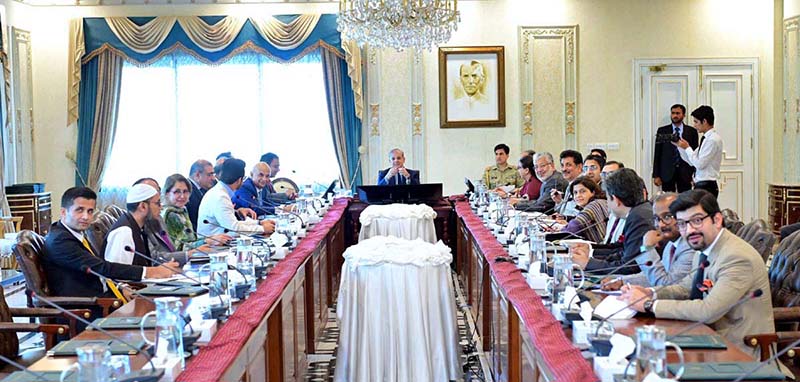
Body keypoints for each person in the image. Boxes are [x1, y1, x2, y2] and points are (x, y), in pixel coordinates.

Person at [619, 190, 773, 353]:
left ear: (717, 219)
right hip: (707, 337)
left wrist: (649, 305)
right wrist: (650, 293)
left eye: (697, 220)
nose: (690, 230)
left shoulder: (736, 257)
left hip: (741, 351)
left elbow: (708, 311)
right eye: (683, 224)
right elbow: (686, 288)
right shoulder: (703, 248)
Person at [42, 187, 175, 299]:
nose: (86, 217)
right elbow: (101, 268)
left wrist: (120, 287)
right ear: (64, 212)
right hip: (84, 310)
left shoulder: (73, 233)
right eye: (79, 210)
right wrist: (152, 272)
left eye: (90, 211)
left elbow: (98, 272)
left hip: (102, 299)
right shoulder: (60, 241)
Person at [601, 192, 696, 289]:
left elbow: (666, 285)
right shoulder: (671, 245)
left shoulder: (690, 247)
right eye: (656, 218)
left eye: (667, 217)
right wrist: (621, 281)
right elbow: (653, 276)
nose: (661, 224)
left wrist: (647, 249)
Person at [570, 168, 654, 275]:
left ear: (615, 199)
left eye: (608, 199)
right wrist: (590, 251)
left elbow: (628, 267)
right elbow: (621, 249)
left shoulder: (638, 218)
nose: (607, 204)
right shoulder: (639, 211)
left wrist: (587, 263)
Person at [198, 158, 276, 236]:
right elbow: (234, 228)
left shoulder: (221, 191)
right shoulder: (220, 197)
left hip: (222, 240)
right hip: (211, 244)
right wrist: (262, 229)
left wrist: (258, 223)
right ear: (239, 180)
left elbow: (232, 222)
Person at [162, 174, 232, 251]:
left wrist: (212, 239)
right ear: (167, 193)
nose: (182, 196)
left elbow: (191, 241)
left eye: (185, 192)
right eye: (177, 192)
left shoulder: (181, 210)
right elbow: (178, 248)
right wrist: (207, 241)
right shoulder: (170, 214)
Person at [674, 105, 723, 198]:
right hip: (701, 185)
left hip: (707, 186)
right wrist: (681, 147)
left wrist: (687, 148)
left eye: (696, 122)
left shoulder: (712, 140)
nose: (694, 125)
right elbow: (691, 161)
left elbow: (700, 164)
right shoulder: (706, 138)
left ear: (704, 121)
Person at [653, 104, 699, 193]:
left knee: (685, 200)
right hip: (666, 172)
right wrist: (656, 175)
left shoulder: (692, 131)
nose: (675, 116)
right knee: (668, 200)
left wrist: (695, 175)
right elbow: (657, 153)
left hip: (686, 172)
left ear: (684, 115)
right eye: (673, 113)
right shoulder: (662, 131)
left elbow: (695, 153)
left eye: (678, 113)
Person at [554, 176, 608, 243]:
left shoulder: (594, 205)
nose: (578, 195)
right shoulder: (601, 202)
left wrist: (560, 229)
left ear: (593, 192)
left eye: (583, 191)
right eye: (575, 193)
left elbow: (573, 228)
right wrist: (566, 219)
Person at [551, 150, 583, 218]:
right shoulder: (571, 184)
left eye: (568, 165)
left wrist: (564, 218)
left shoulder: (583, 186)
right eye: (562, 165)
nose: (564, 169)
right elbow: (565, 211)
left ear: (580, 167)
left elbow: (579, 215)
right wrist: (559, 202)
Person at [601, 160, 626, 244]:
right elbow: (607, 241)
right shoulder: (613, 212)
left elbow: (641, 249)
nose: (606, 178)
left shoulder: (628, 213)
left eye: (611, 174)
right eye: (604, 174)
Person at [186, 159, 215, 230]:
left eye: (213, 174)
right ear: (197, 175)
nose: (213, 178)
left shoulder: (206, 189)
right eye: (209, 174)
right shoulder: (186, 190)